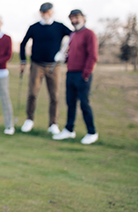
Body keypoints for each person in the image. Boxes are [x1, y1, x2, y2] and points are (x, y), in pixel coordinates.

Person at [20, 2, 72, 134]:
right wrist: (22, 60)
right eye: (43, 12)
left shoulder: (59, 26)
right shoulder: (34, 27)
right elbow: (23, 43)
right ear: (40, 13)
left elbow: (74, 37)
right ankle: (29, 119)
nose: (45, 15)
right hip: (37, 64)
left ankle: (53, 124)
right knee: (32, 93)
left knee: (54, 96)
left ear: (52, 12)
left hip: (53, 66)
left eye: (48, 12)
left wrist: (64, 54)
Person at [53, 9, 99, 144]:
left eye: (76, 18)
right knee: (70, 103)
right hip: (70, 73)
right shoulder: (73, 35)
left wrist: (86, 73)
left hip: (82, 74)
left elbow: (93, 56)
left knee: (84, 104)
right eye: (72, 18)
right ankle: (69, 130)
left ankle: (92, 132)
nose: (74, 21)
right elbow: (72, 54)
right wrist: (64, 59)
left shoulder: (89, 34)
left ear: (83, 18)